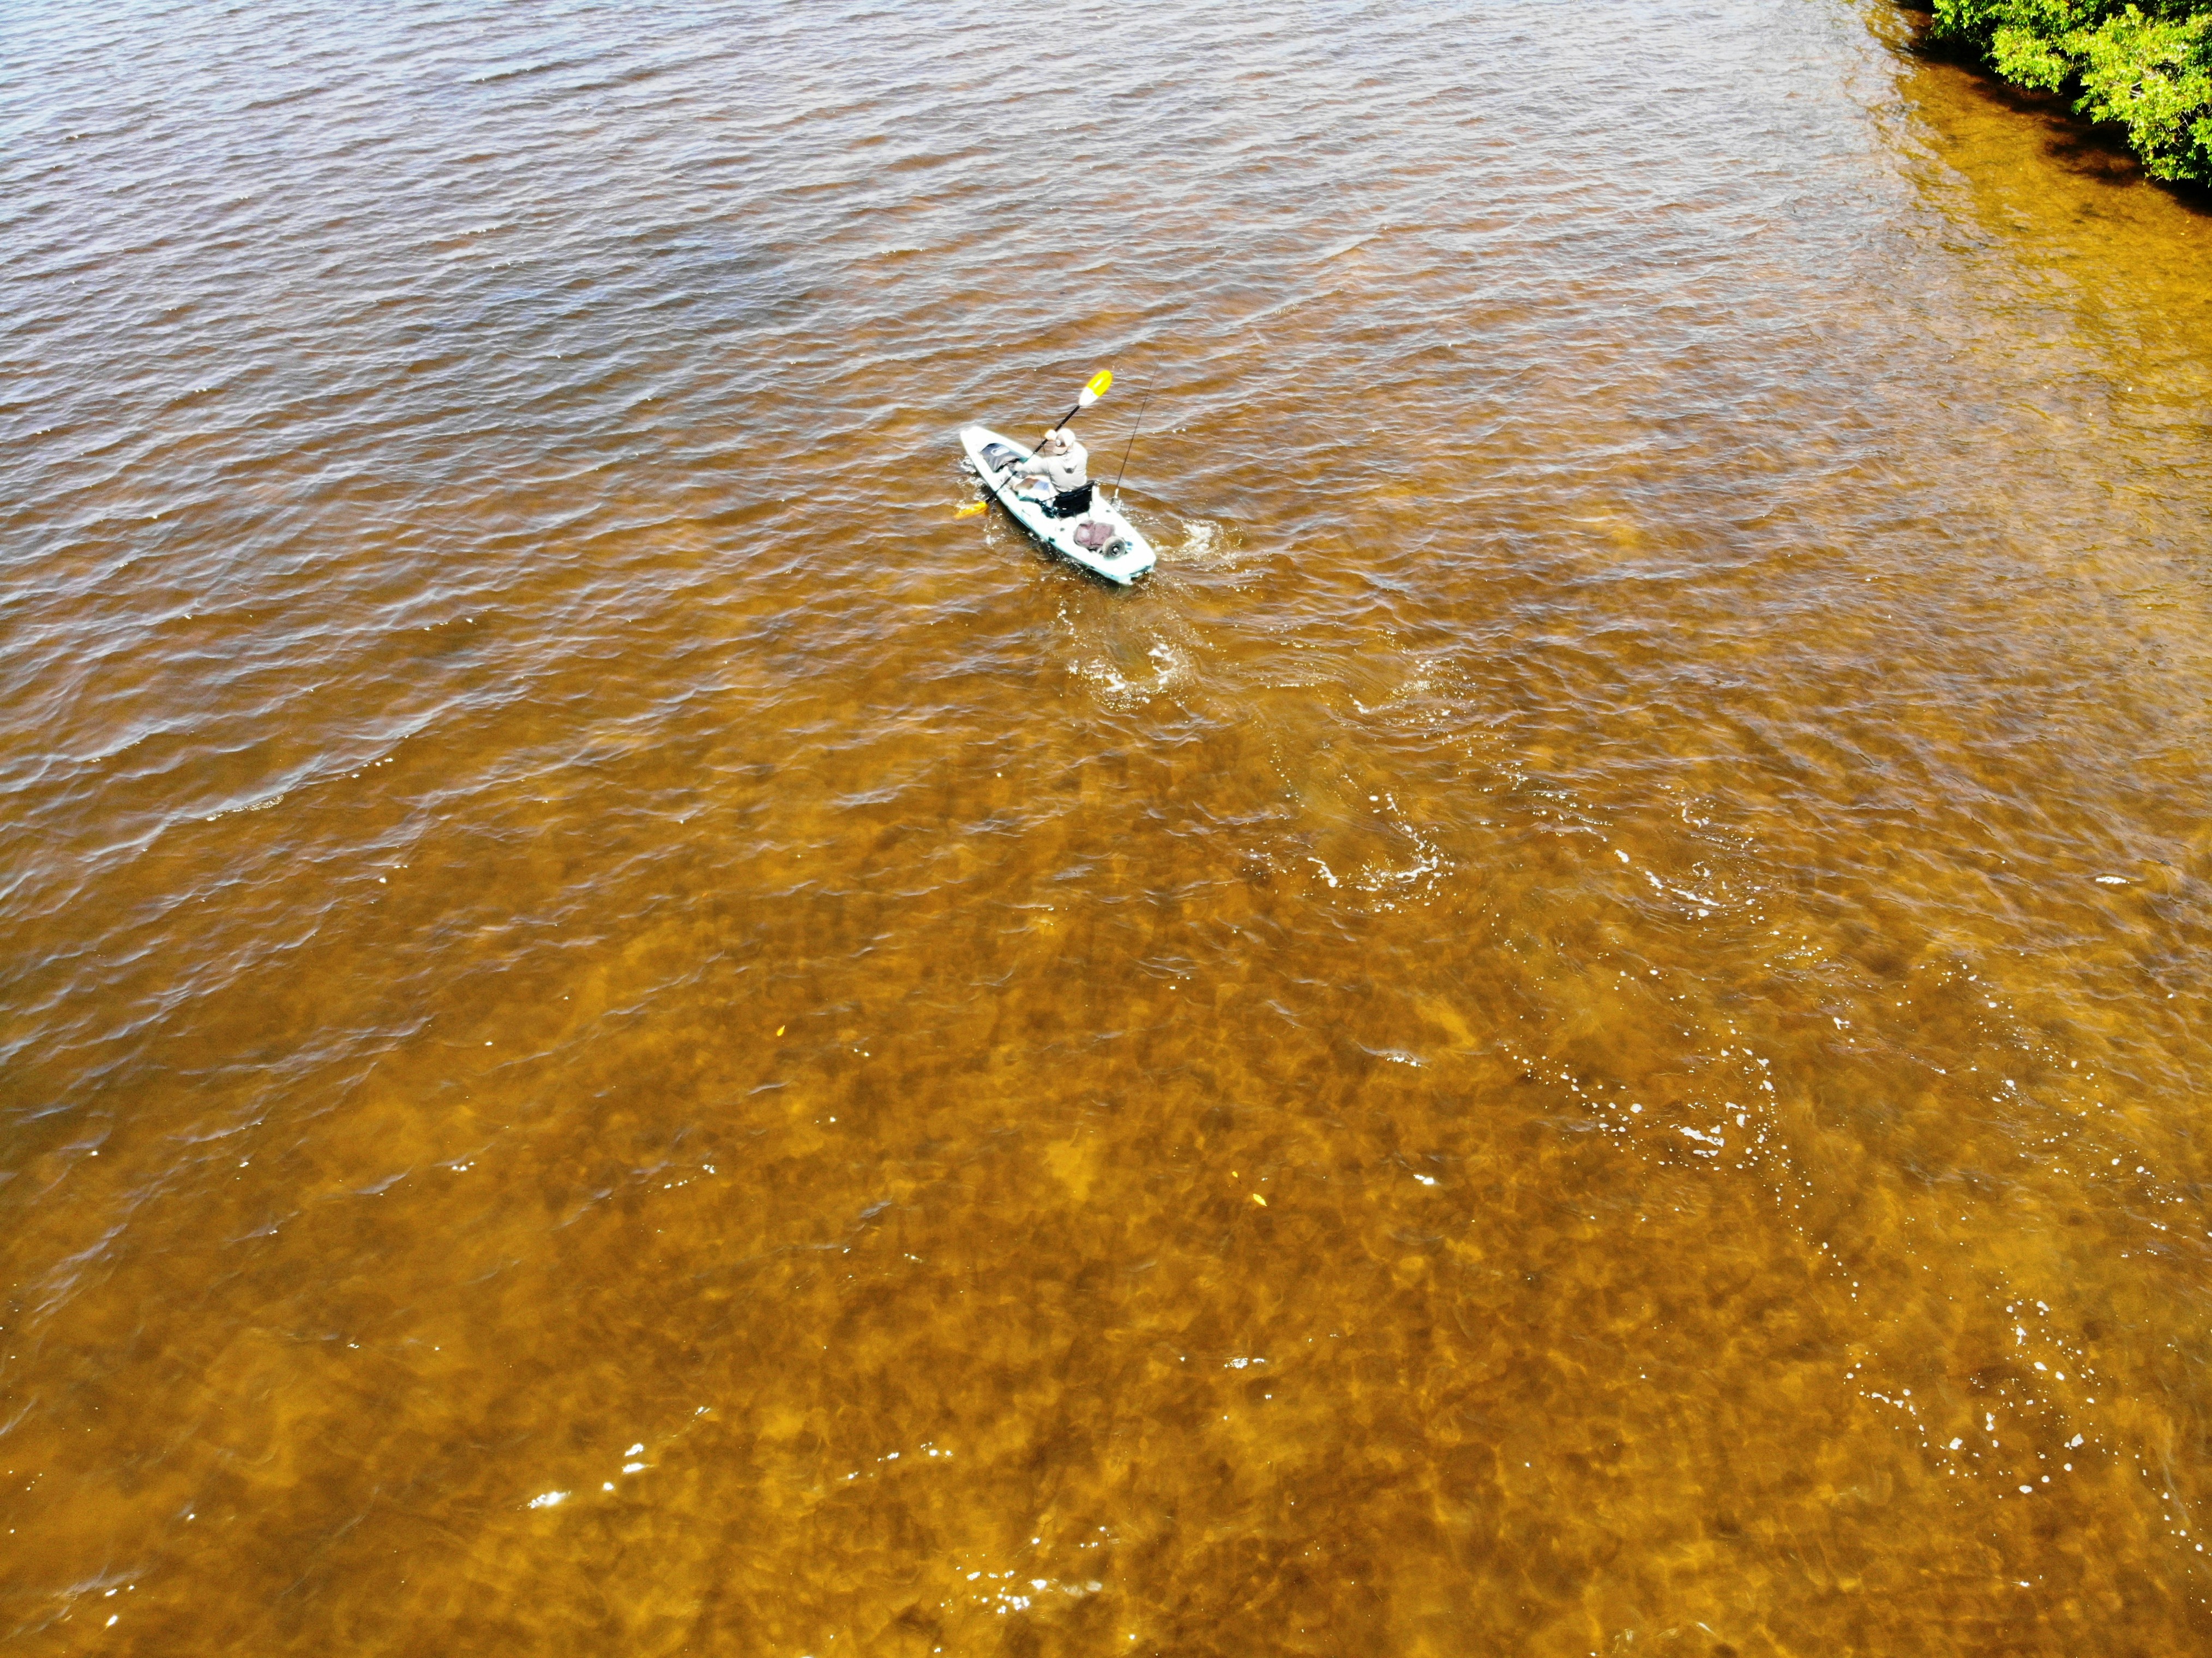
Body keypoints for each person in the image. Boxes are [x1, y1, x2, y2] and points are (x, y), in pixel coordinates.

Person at [1009, 428, 1092, 518]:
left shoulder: (1050, 463)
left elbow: (1029, 470)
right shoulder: (1083, 453)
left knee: (1030, 480)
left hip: (1059, 503)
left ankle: (1014, 488)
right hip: (1081, 496)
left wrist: (1019, 467)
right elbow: (1074, 445)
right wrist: (1057, 437)